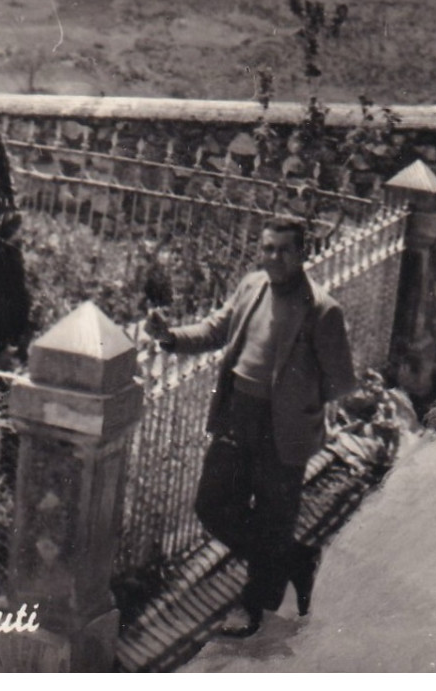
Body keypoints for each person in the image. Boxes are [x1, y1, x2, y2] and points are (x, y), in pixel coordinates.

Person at [145, 216, 357, 638]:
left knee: (275, 517)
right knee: (212, 504)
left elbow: (341, 382)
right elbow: (215, 330)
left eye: (283, 250)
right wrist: (169, 336)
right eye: (267, 248)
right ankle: (293, 558)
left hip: (285, 426)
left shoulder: (321, 310)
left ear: (302, 254)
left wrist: (299, 406)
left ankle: (255, 603)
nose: (273, 257)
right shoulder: (251, 286)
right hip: (238, 414)